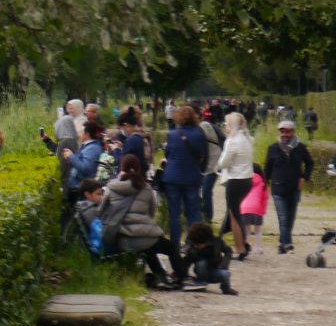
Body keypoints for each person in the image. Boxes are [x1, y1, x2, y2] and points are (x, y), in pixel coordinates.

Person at [101, 154, 176, 287]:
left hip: (122, 239)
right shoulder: (146, 187)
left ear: (121, 168)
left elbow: (102, 210)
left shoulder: (111, 187)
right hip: (146, 236)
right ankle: (177, 277)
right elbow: (152, 212)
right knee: (167, 247)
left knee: (145, 246)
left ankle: (161, 277)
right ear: (138, 168)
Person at [159, 105, 208, 254]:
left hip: (173, 177)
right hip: (191, 177)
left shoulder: (173, 134)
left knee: (174, 213)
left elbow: (168, 154)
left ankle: (174, 244)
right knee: (193, 212)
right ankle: (193, 243)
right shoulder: (200, 134)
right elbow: (203, 155)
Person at [263, 120, 313, 254]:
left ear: (293, 132)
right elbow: (267, 168)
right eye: (282, 131)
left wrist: (304, 177)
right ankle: (287, 244)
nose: (285, 134)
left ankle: (281, 243)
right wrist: (264, 183)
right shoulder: (273, 148)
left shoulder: (300, 148)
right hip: (278, 188)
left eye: (288, 131)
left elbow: (310, 163)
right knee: (283, 218)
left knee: (290, 218)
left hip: (294, 188)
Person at [216, 111, 255, 259]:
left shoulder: (231, 141)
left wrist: (216, 165)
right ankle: (226, 240)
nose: (225, 126)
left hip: (234, 180)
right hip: (247, 180)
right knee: (234, 212)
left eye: (226, 124)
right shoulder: (247, 139)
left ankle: (240, 247)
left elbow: (224, 162)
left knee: (234, 214)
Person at [179, 222, 237, 295]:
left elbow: (228, 252)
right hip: (201, 272)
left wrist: (224, 264)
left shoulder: (217, 242)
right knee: (201, 263)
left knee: (225, 274)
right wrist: (182, 275)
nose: (196, 246)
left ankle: (226, 288)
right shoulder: (193, 249)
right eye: (195, 244)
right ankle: (200, 283)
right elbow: (186, 262)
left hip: (216, 271)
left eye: (198, 244)